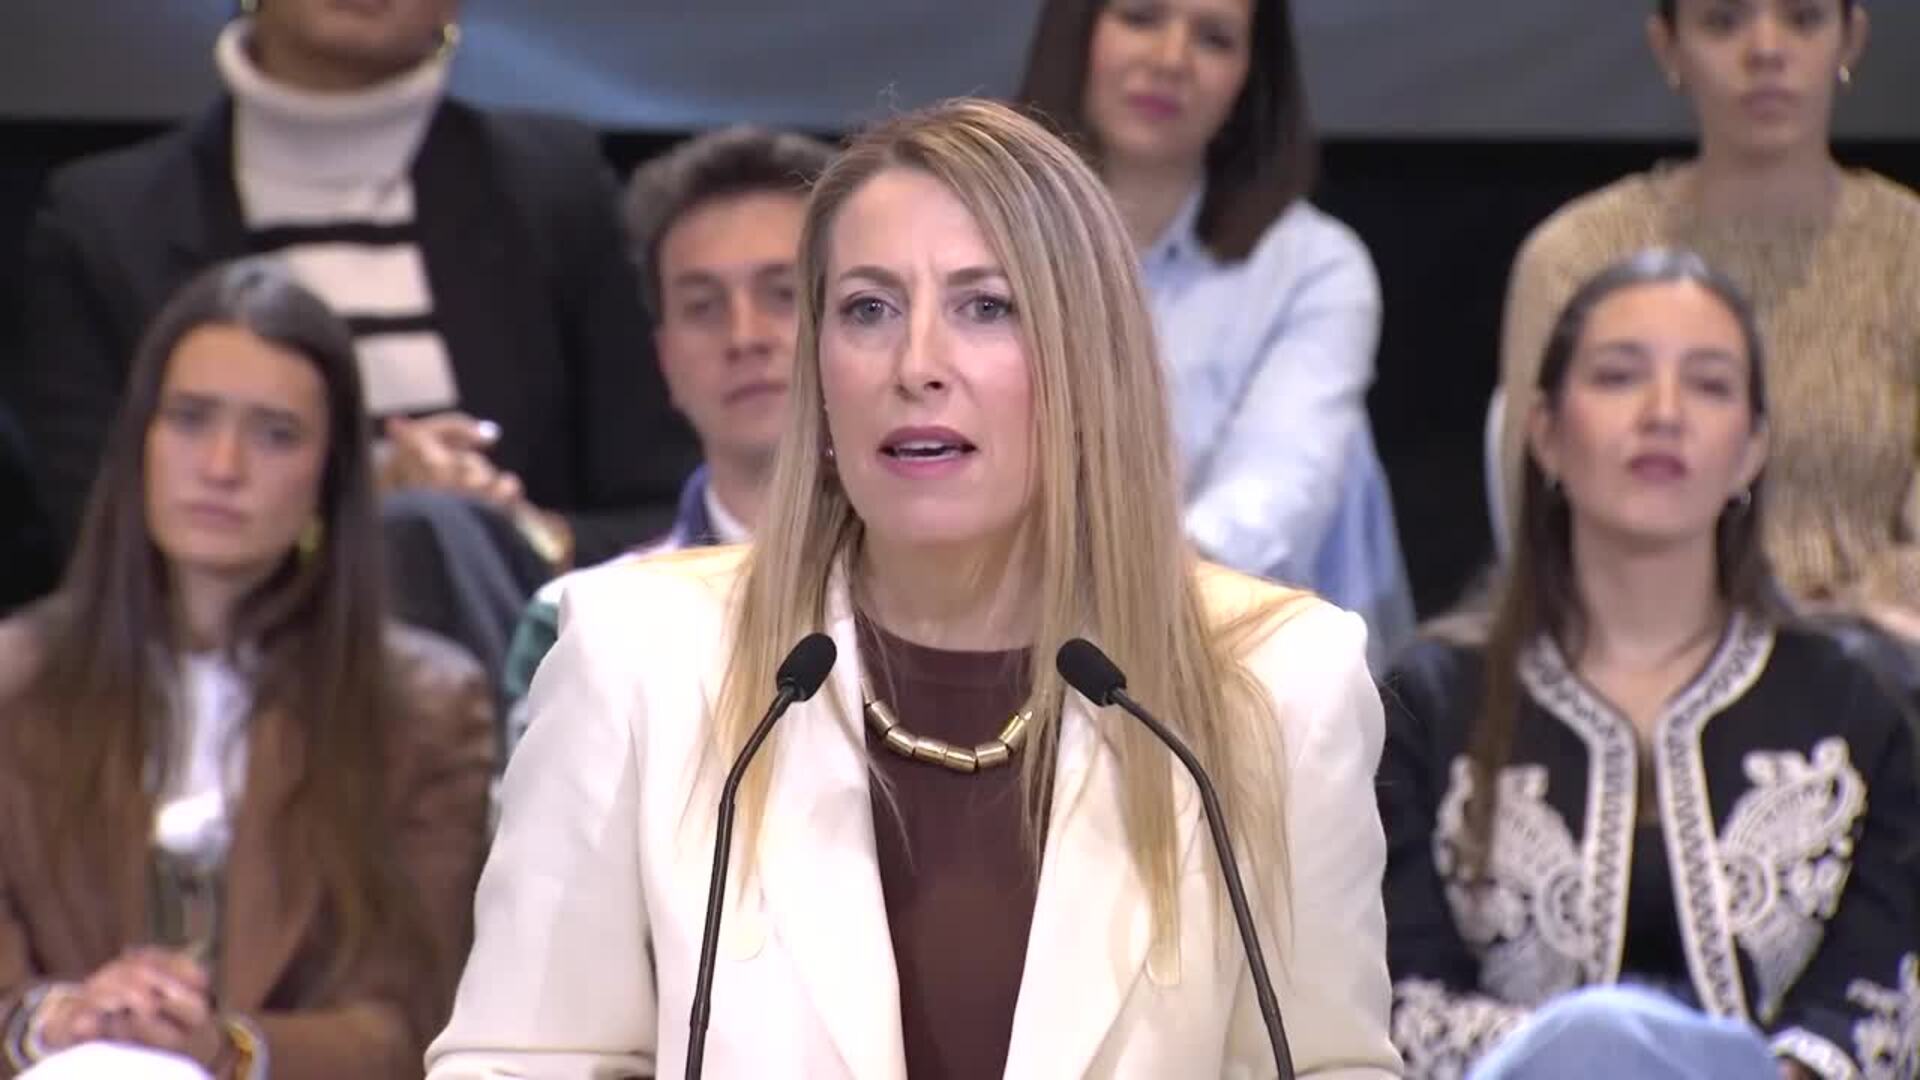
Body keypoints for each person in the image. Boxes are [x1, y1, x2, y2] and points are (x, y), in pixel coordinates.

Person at [426, 99, 1399, 1078]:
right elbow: (521, 1060)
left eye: (987, 307)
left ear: (1090, 360)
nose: (916, 366)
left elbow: (1328, 1065)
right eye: (868, 310)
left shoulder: (1276, 684)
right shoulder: (638, 655)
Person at [7, 0, 699, 673]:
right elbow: (101, 536)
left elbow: (669, 513)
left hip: (528, 671)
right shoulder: (103, 225)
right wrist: (357, 504)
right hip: (207, 675)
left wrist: (516, 531)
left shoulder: (557, 190)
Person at [1383, 250, 1919, 1080]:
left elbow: (1882, 986)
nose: (1664, 413)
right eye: (1619, 376)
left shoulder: (1861, 699)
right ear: (1545, 433)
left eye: (1708, 385)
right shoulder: (1427, 700)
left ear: (1752, 450)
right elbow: (1398, 992)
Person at [0, 259, 496, 1078]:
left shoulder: (424, 710)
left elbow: (412, 1024)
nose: (222, 466)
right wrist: (57, 1022)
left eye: (275, 434)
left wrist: (228, 1048)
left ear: (329, 476)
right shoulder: (14, 683)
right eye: (191, 419)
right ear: (140, 442)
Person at [1495, 0, 1920, 638]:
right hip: (1634, 648)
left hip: (1884, 652)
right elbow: (1540, 519)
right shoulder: (1577, 255)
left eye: (1803, 20)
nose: (1766, 50)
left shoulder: (1908, 252)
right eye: (1723, 22)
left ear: (1850, 39)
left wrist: (1845, 638)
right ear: (1668, 46)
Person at [1015, 0, 1414, 664]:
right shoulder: (985, 240)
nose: (1170, 60)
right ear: (1079, 32)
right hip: (1008, 632)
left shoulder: (1314, 265)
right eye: (1141, 18)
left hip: (1239, 650)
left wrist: (1109, 609)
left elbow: (1267, 502)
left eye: (1214, 39)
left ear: (1251, 77)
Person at [497, 126, 834, 753]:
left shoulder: (949, 592)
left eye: (783, 295)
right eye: (703, 307)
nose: (744, 337)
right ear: (664, 360)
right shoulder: (579, 620)